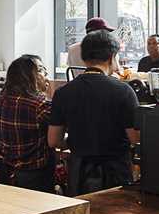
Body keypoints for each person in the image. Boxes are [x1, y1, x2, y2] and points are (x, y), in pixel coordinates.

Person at [48, 29, 140, 194]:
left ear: (84, 58)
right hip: (116, 172)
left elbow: (54, 140)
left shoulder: (63, 92)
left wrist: (79, 141)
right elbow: (135, 138)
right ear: (112, 57)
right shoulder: (123, 91)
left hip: (79, 173)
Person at [0, 55, 55, 191]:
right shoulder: (40, 105)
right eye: (41, 70)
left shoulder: (1, 101)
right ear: (28, 76)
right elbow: (56, 137)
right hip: (35, 175)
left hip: (5, 172)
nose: (46, 74)